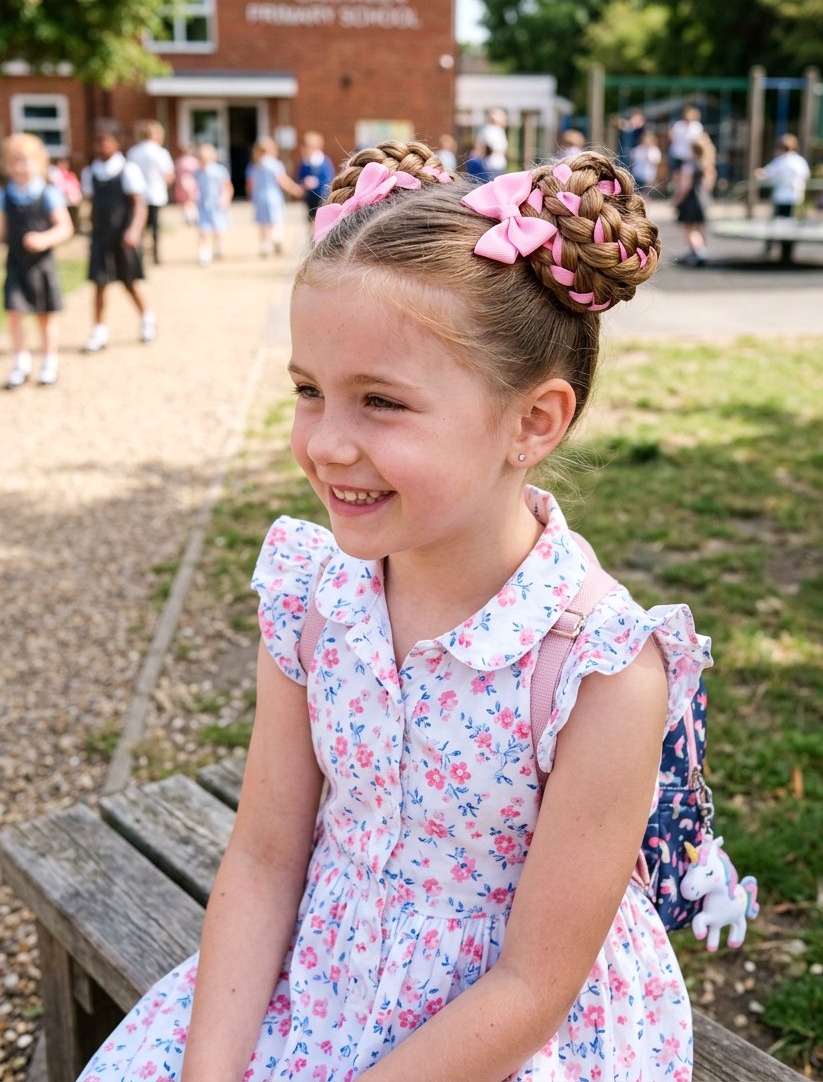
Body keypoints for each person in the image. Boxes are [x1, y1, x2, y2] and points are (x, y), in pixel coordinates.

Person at [79, 140, 711, 1082]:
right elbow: (262, 858)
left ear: (534, 422)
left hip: (504, 1034)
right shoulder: (311, 596)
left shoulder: (601, 669)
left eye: (380, 402)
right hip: (320, 976)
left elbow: (534, 986)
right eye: (307, 392)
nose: (326, 444)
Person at [1, 133, 74, 388]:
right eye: (14, 160)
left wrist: (44, 239)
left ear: (38, 162)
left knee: (45, 316)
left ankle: (49, 361)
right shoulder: (6, 196)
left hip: (41, 265)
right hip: (16, 263)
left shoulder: (48, 193)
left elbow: (65, 227)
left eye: (25, 160)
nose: (20, 166)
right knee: (14, 313)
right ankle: (20, 362)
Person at [81, 120, 156, 351]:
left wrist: (134, 230)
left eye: (104, 140)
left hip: (122, 236)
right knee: (100, 284)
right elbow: (91, 204)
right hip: (101, 237)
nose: (100, 146)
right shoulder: (90, 172)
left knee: (129, 282)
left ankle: (146, 318)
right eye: (97, 141)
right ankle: (99, 330)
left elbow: (139, 205)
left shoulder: (127, 170)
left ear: (117, 142)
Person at [127, 120, 175, 265]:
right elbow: (168, 175)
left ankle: (139, 256)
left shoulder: (133, 152)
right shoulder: (160, 152)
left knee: (140, 226)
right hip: (156, 194)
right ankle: (155, 255)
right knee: (155, 227)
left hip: (138, 194)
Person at [247, 135, 303, 256]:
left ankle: (264, 246)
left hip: (259, 196)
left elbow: (250, 184)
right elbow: (282, 180)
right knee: (277, 219)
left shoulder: (255, 165)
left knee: (263, 222)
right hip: (273, 196)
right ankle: (276, 237)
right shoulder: (275, 164)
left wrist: (251, 196)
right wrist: (295, 189)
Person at [674, 136, 715, 265]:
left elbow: (685, 185)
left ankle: (700, 252)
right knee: (699, 226)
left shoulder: (689, 165)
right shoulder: (707, 165)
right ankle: (695, 250)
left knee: (689, 228)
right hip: (703, 199)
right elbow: (708, 185)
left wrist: (677, 199)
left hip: (691, 199)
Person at [194, 142, 233, 265]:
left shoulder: (219, 171)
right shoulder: (198, 173)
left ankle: (218, 247)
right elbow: (194, 188)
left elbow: (227, 187)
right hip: (203, 205)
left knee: (217, 229)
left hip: (216, 205)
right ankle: (204, 255)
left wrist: (225, 198)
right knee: (203, 231)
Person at [755, 134, 811, 219]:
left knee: (781, 221)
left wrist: (758, 173)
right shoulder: (799, 161)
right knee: (794, 221)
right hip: (796, 196)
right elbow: (806, 175)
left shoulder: (780, 161)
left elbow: (765, 173)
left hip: (782, 197)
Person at [295, 130, 335, 224]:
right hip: (309, 196)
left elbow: (329, 178)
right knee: (310, 219)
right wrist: (304, 182)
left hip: (321, 195)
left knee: (320, 219)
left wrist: (317, 182)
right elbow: (299, 175)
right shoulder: (304, 162)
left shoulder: (323, 161)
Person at [48, 156, 83, 232]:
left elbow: (76, 186)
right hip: (61, 199)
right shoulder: (54, 175)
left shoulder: (70, 175)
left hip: (71, 200)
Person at [667, 105, 703, 177]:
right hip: (677, 154)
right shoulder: (678, 125)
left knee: (688, 176)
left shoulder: (697, 127)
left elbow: (698, 142)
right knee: (676, 174)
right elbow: (672, 139)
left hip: (690, 156)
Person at [173, 144, 201, 227]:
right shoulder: (194, 161)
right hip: (192, 183)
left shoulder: (179, 161)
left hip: (181, 183)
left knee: (185, 203)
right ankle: (193, 217)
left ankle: (188, 217)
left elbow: (176, 172)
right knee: (192, 202)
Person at [477, 106, 509, 175]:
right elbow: (489, 146)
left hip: (497, 163)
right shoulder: (489, 129)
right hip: (492, 163)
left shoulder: (498, 130)